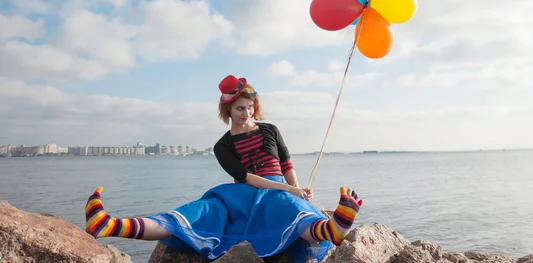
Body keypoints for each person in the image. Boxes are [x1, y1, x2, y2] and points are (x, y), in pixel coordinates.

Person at [84, 75, 363, 262]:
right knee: (197, 212)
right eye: (241, 108)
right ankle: (109, 224)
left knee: (289, 208)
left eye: (251, 107)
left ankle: (332, 230)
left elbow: (286, 162)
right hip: (245, 192)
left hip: (279, 190)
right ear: (228, 109)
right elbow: (247, 177)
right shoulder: (222, 145)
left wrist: (298, 188)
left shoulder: (270, 130)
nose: (248, 113)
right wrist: (288, 188)